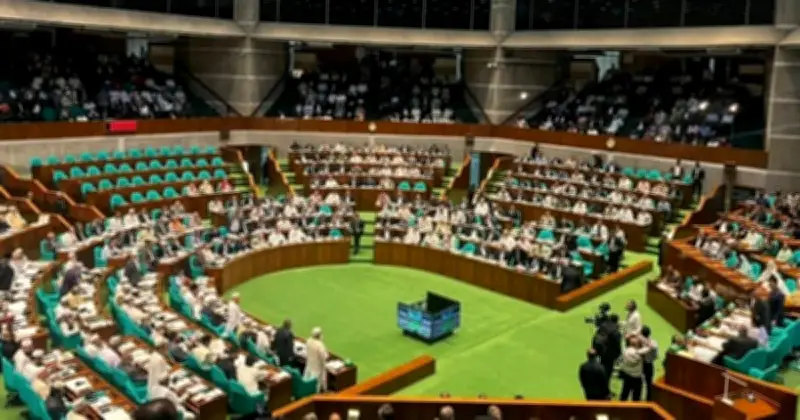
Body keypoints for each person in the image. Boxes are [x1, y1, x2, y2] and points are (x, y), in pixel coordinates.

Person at [619, 335, 651, 402]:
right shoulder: (639, 354)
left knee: (624, 394)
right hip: (637, 378)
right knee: (636, 397)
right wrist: (641, 337)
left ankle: (621, 406)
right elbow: (649, 346)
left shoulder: (625, 351)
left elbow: (623, 342)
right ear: (637, 344)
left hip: (627, 376)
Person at [304, 327, 329, 392]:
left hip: (309, 365)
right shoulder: (320, 345)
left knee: (307, 382)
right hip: (317, 368)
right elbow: (324, 357)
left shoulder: (308, 341)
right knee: (316, 386)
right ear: (319, 335)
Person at [640, 326, 658, 401]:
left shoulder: (639, 342)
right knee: (649, 383)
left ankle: (637, 399)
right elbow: (655, 356)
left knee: (638, 383)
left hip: (640, 365)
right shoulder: (654, 343)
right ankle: (649, 400)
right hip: (649, 365)